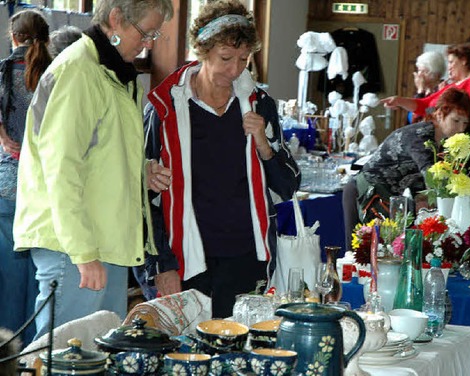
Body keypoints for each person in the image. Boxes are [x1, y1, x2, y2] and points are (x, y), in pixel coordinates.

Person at [13, 0, 174, 340]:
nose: (149, 44)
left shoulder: (115, 72)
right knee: (67, 358)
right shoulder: (79, 71)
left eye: (155, 35)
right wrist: (84, 253)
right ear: (116, 19)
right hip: (75, 246)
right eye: (146, 33)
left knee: (98, 356)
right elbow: (61, 169)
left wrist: (141, 171)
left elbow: (99, 153)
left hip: (106, 241)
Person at [141, 0, 300, 318]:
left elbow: (288, 187)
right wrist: (161, 265)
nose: (236, 70)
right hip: (185, 259)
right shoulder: (166, 108)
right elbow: (143, 199)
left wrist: (263, 146)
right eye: (226, 58)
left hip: (246, 257)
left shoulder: (258, 104)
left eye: (244, 59)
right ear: (202, 51)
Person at [343, 87, 470, 250]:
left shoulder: (441, 143)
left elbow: (424, 190)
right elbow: (432, 180)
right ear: (439, 114)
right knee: (361, 254)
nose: (461, 129)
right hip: (363, 193)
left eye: (465, 123)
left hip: (385, 197)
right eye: (456, 120)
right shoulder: (420, 136)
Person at [0, 9, 52, 346]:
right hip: (45, 187)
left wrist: (5, 139)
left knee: (8, 281)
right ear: (47, 38)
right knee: (41, 280)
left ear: (13, 37)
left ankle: (6, 353)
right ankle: (36, 353)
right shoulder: (56, 75)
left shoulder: (4, 70)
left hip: (7, 185)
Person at [381, 43, 470, 152]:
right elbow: (426, 105)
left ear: (464, 60)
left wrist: (435, 114)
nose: (449, 67)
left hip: (464, 147)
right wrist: (399, 101)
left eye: (451, 62)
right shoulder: (452, 86)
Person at [407, 50, 446, 124]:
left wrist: (420, 92)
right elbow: (410, 117)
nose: (420, 75)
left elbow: (425, 115)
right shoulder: (424, 91)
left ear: (437, 75)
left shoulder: (442, 91)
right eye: (419, 70)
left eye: (424, 71)